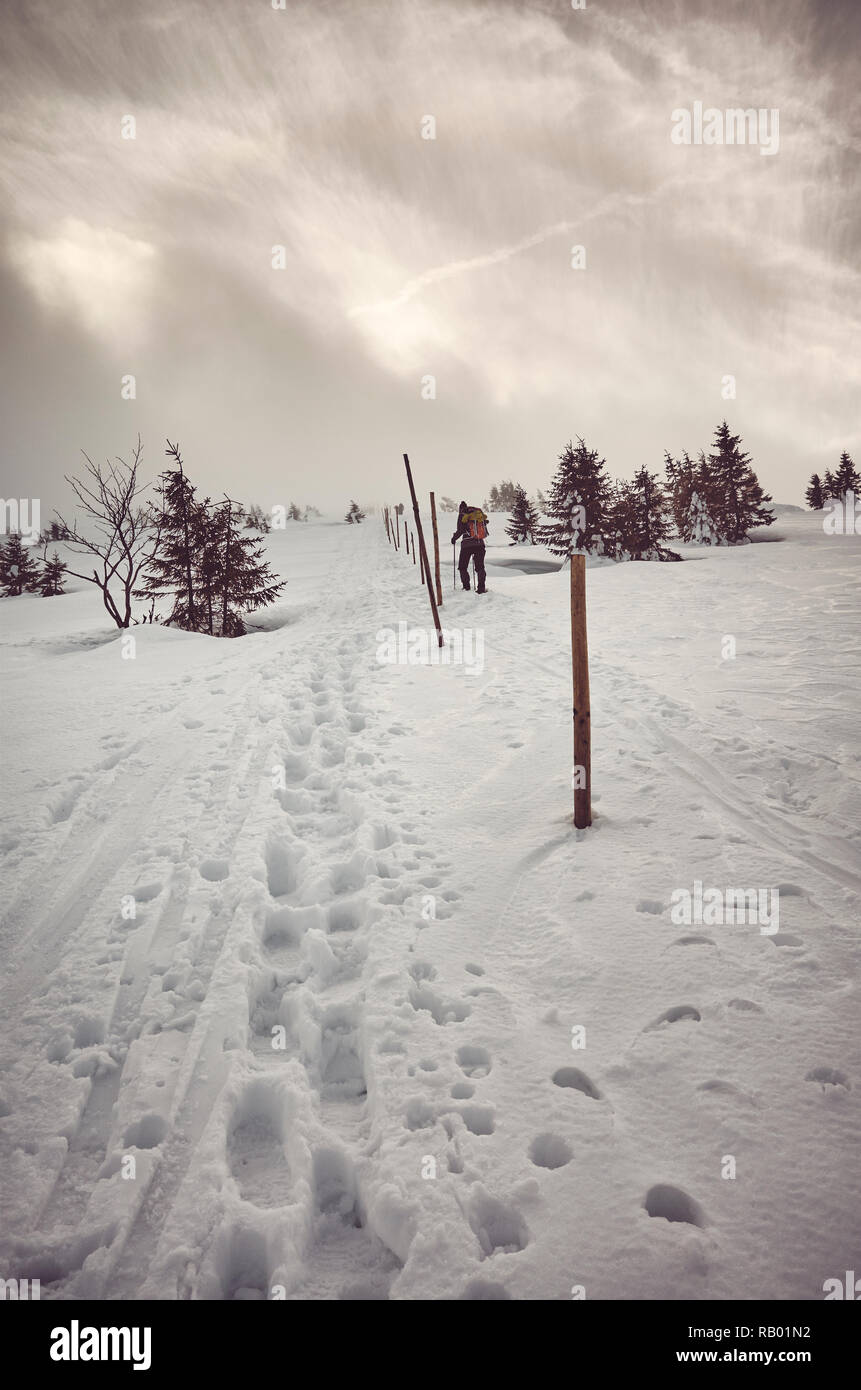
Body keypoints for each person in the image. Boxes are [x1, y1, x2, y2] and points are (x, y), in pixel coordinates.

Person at [451, 499, 488, 593]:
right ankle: (481, 588)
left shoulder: (462, 515)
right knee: (480, 567)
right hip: (479, 543)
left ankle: (466, 587)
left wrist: (454, 538)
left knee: (462, 567)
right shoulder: (477, 515)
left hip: (466, 545)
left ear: (460, 509)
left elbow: (460, 530)